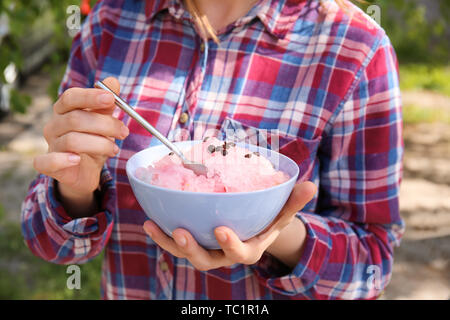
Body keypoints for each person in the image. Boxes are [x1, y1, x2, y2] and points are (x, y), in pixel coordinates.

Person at [21, 0, 404, 299]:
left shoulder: (354, 48)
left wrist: (279, 236)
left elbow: (371, 266)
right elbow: (51, 245)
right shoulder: (110, 23)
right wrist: (74, 190)